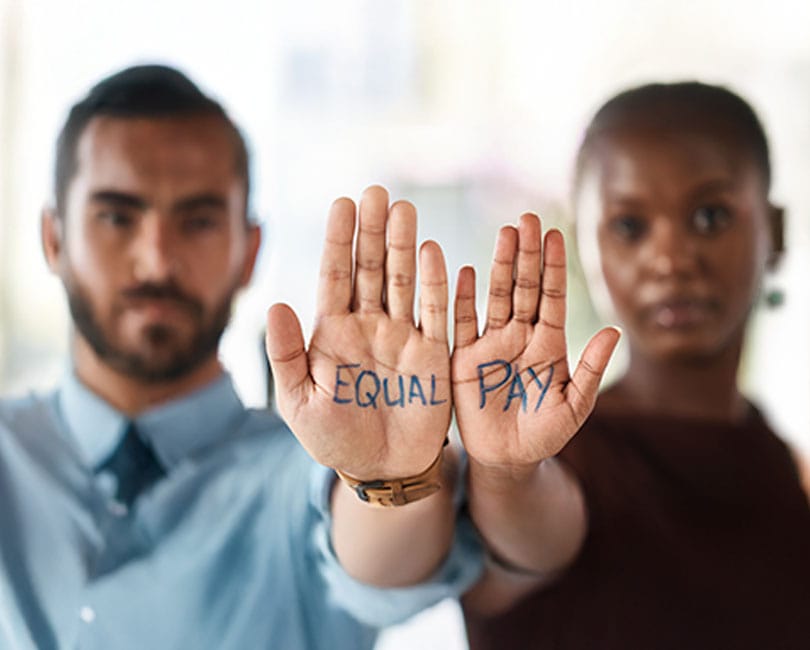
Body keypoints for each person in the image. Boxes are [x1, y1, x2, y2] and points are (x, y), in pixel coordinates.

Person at [0, 65, 481, 650]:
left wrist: (387, 477)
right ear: (54, 239)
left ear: (250, 251)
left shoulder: (308, 469)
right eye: (117, 216)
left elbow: (380, 559)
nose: (156, 262)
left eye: (198, 221)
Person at [458, 82, 810, 649]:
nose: (670, 259)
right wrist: (507, 475)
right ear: (585, 247)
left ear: (778, 231)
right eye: (629, 227)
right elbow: (520, 540)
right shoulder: (558, 455)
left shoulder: (776, 461)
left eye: (710, 216)